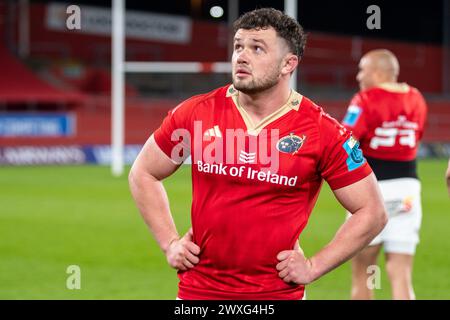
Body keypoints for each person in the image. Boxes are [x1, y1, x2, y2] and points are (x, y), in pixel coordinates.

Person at [129, 8, 387, 300]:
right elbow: (144, 171)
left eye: (257, 49)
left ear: (288, 64)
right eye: (238, 46)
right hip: (198, 292)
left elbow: (372, 212)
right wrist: (169, 243)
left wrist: (314, 266)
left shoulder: (321, 130)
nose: (241, 56)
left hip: (277, 294)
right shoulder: (197, 113)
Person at [342, 49, 428, 300]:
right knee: (401, 274)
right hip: (408, 189)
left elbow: (346, 142)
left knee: (364, 273)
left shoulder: (365, 99)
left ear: (378, 73)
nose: (359, 76)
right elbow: (418, 140)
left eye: (362, 70)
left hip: (371, 190)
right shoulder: (416, 97)